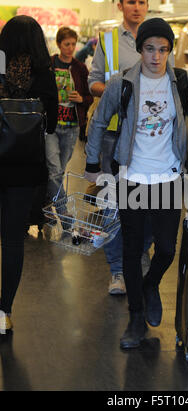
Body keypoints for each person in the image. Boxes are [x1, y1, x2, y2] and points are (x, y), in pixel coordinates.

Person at [84, 18, 188, 349]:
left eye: (163, 49)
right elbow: (98, 121)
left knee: (167, 248)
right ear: (140, 49)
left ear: (170, 50)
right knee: (132, 247)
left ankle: (151, 283)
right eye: (150, 48)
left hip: (168, 177)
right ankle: (136, 317)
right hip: (132, 177)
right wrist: (92, 164)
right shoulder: (122, 83)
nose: (156, 56)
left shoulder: (184, 82)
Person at [87, 0, 153, 296]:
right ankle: (116, 270)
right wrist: (119, 88)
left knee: (150, 202)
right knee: (113, 204)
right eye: (131, 2)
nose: (136, 7)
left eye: (142, 1)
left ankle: (139, 252)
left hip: (150, 136)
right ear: (120, 5)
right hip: (114, 133)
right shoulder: (109, 40)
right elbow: (93, 83)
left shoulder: (159, 39)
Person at [0, 15, 58, 333]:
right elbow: (49, 126)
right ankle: (3, 311)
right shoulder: (44, 76)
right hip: (24, 170)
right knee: (12, 242)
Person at [46, 27, 93, 207]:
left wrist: (81, 99)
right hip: (51, 125)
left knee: (58, 171)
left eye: (73, 44)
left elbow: (90, 96)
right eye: (67, 44)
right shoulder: (49, 64)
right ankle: (64, 212)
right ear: (58, 44)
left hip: (71, 126)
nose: (71, 48)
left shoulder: (80, 68)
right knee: (54, 171)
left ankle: (47, 208)